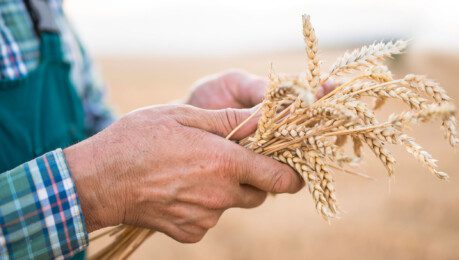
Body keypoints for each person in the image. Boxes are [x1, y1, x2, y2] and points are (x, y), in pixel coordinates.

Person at [0, 0, 334, 258]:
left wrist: (197, 124)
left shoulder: (44, 9)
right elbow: (100, 168)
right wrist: (91, 190)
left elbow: (90, 135)